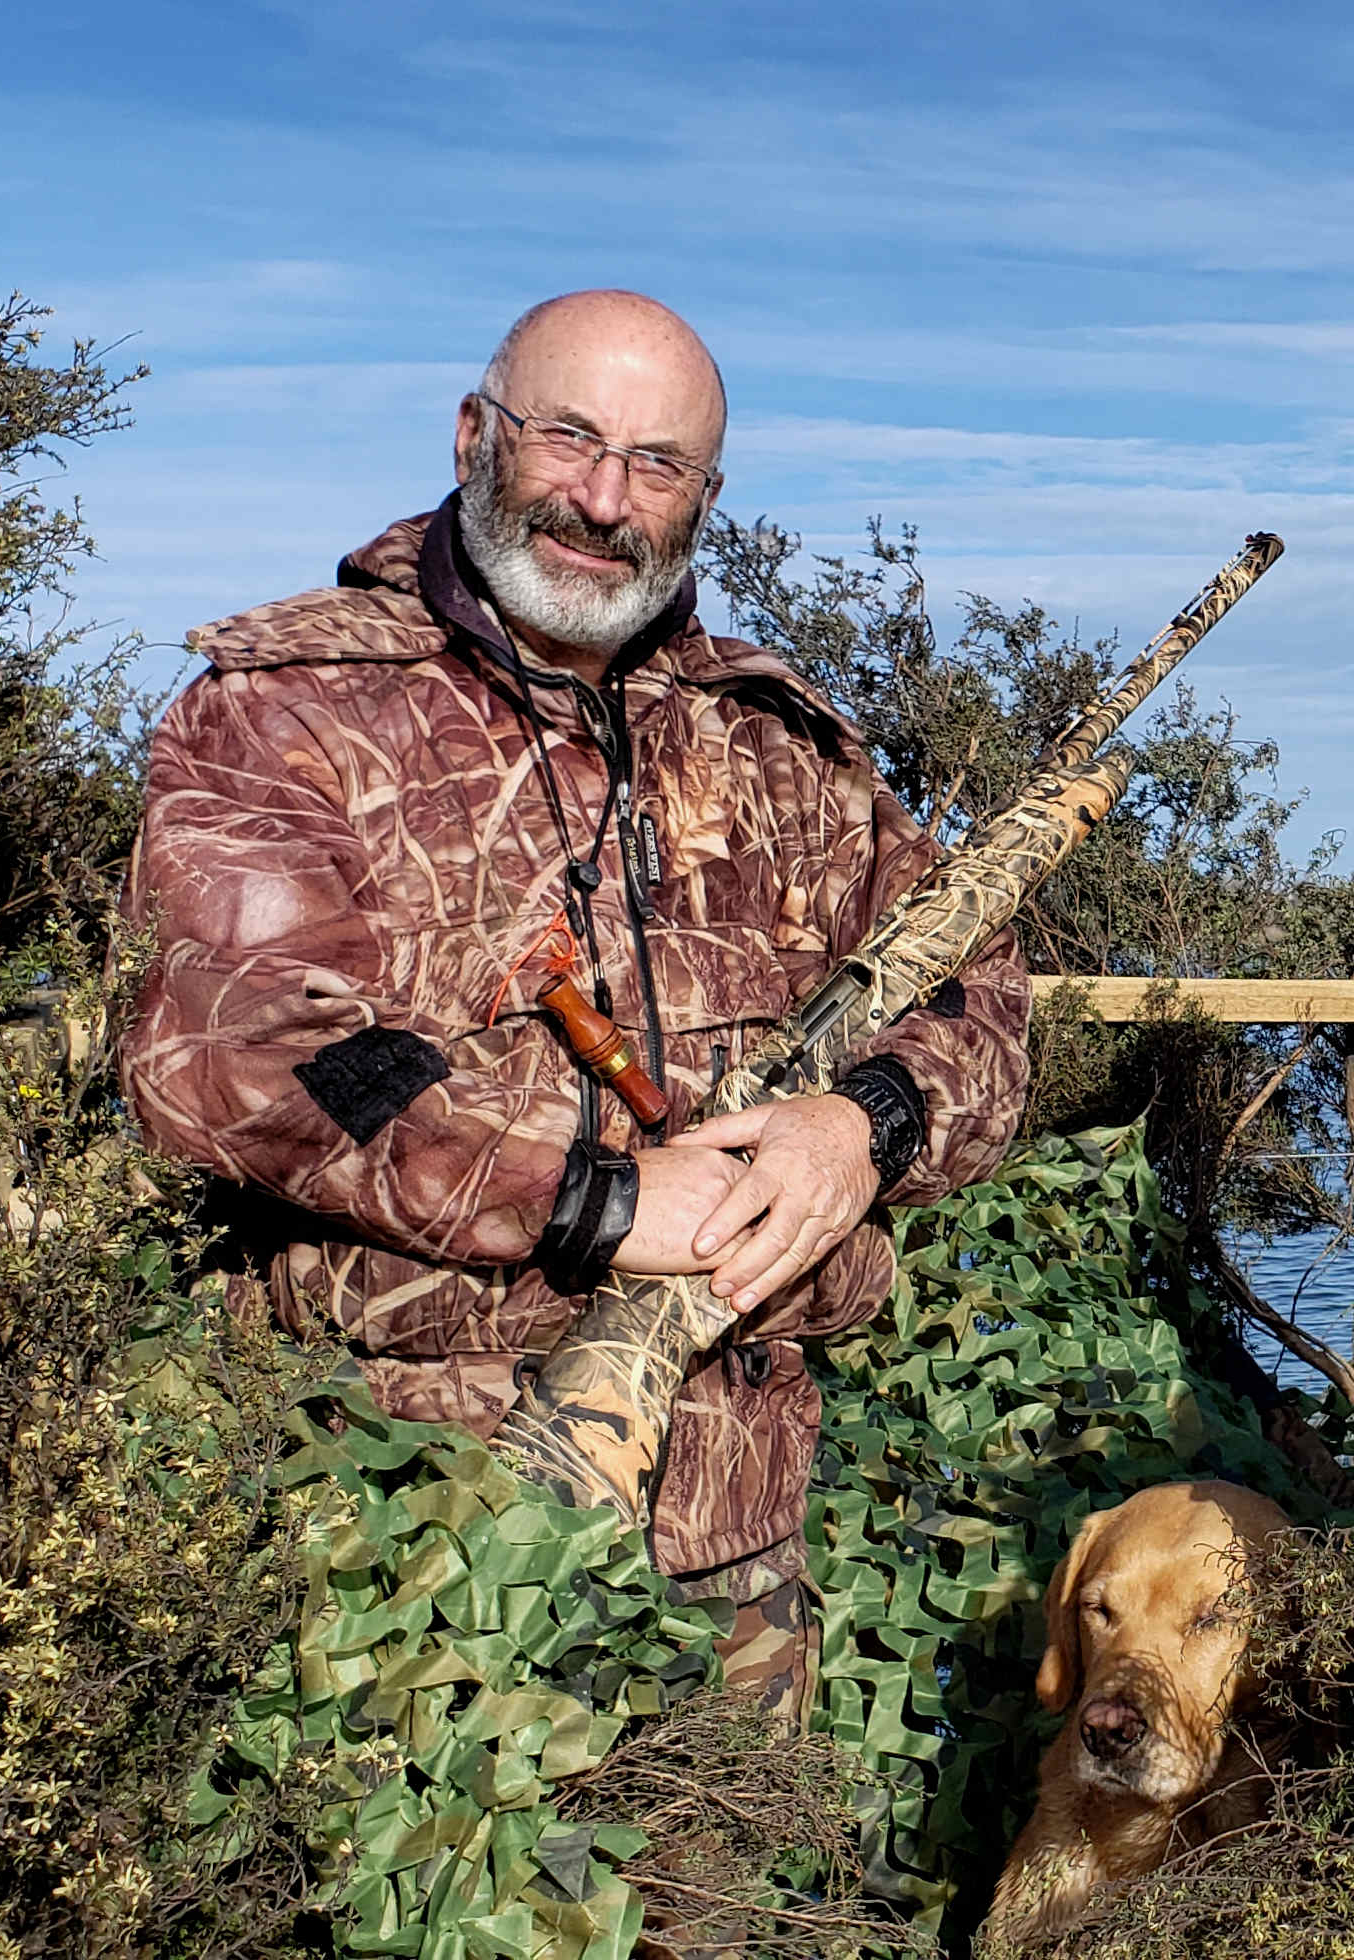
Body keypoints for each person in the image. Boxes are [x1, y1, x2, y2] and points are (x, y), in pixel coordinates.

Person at [121, 290, 1030, 1715]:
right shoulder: (287, 707)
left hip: (740, 1535)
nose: (604, 501)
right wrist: (597, 1203)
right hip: (402, 1533)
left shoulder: (777, 743)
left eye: (657, 464)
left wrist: (860, 1130)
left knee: (732, 1916)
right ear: (478, 434)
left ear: (704, 499)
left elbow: (979, 998)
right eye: (570, 438)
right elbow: (238, 1062)